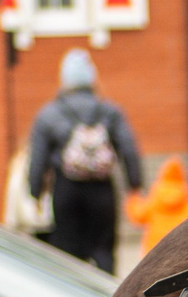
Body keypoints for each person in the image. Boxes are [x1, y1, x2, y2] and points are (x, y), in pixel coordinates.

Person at [27, 49, 142, 272]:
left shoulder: (48, 114)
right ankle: (106, 292)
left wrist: (35, 192)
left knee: (68, 254)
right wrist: (134, 185)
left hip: (66, 190)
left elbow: (38, 158)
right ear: (91, 78)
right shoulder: (110, 111)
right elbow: (128, 148)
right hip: (102, 190)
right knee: (103, 250)